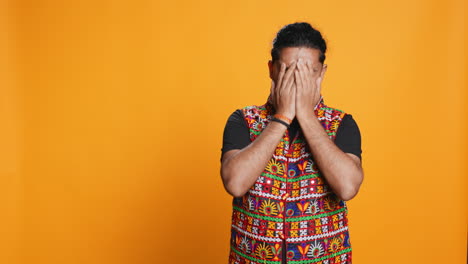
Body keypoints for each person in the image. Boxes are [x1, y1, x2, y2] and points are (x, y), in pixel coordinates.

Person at [220, 22, 363, 264]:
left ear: (322, 73)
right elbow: (235, 183)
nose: (297, 80)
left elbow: (348, 187)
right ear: (271, 70)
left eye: (307, 72)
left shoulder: (343, 124)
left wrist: (306, 115)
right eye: (287, 71)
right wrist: (282, 117)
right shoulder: (242, 120)